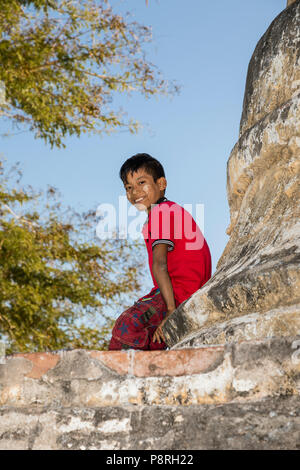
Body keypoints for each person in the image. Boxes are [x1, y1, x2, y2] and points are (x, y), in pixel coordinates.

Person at [108, 153, 211, 350]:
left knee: (126, 326)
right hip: (188, 294)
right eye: (128, 187)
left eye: (141, 182)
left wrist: (171, 310)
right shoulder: (168, 211)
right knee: (150, 336)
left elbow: (160, 264)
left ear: (161, 183)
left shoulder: (162, 212)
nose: (134, 191)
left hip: (176, 294)